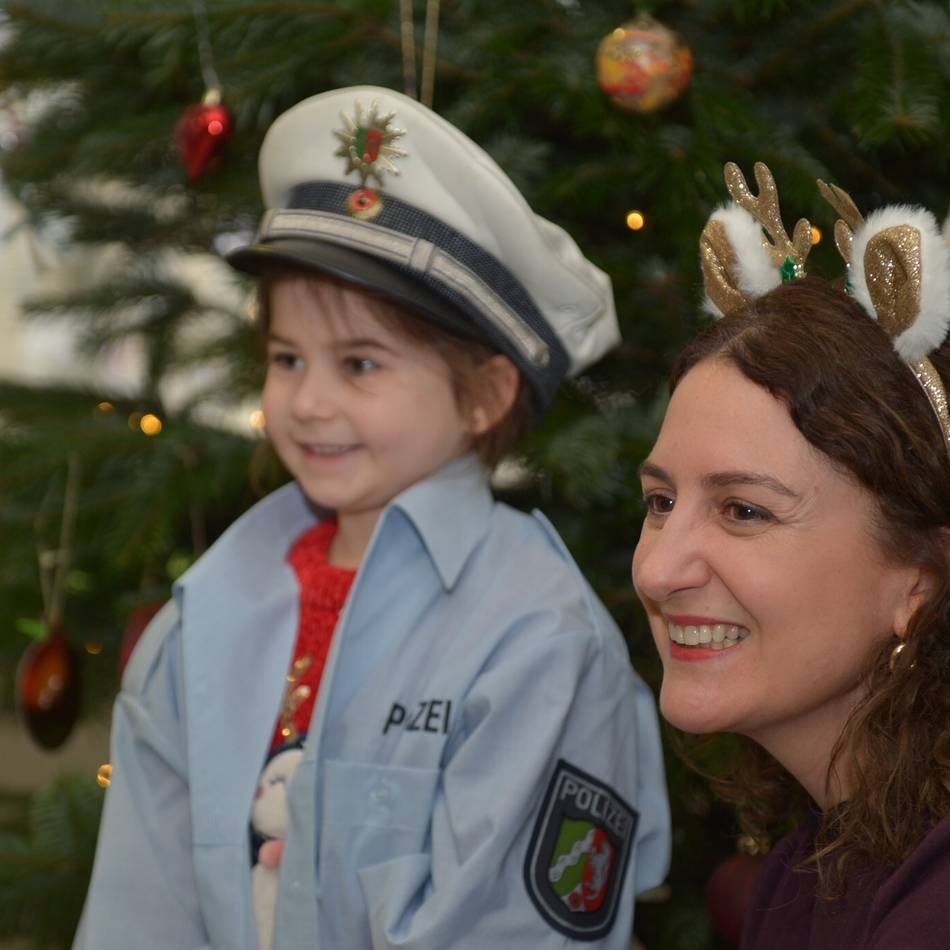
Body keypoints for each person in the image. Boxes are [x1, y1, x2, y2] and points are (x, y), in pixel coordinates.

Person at [75, 86, 670, 950]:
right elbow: (140, 911)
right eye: (287, 358)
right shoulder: (200, 617)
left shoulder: (537, 642)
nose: (308, 401)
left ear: (486, 394)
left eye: (360, 364)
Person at [632, 161, 950, 949]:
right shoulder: (811, 867)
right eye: (660, 502)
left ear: (922, 579)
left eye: (743, 510)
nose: (659, 571)